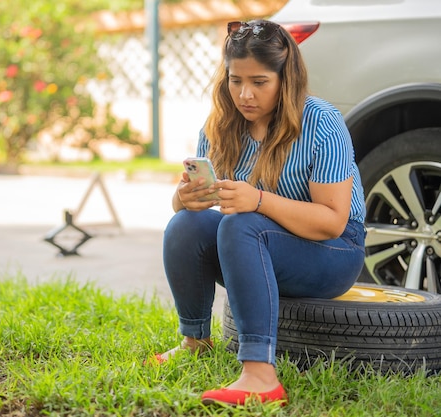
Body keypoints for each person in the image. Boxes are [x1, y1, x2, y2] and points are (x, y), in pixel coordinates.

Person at [150, 19, 366, 407]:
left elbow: (333, 222)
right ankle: (195, 340)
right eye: (236, 80)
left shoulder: (320, 121)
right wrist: (186, 198)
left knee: (243, 224)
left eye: (260, 82)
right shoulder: (220, 124)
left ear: (286, 78)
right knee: (186, 224)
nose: (245, 94)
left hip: (333, 252)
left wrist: (259, 201)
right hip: (259, 245)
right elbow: (191, 208)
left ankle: (260, 376)